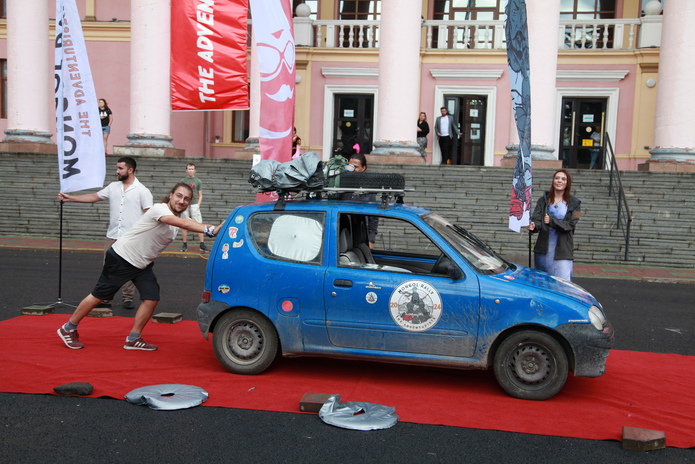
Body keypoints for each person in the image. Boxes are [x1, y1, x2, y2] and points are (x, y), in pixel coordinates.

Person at [56, 183, 224, 351]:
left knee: (151, 297)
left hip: (142, 264)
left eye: (186, 199)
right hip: (123, 257)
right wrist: (211, 230)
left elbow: (181, 222)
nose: (182, 201)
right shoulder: (160, 209)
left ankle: (133, 339)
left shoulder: (176, 217)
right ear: (171, 195)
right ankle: (68, 328)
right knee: (99, 296)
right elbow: (180, 222)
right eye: (179, 196)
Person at [58, 157, 153, 310]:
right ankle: (105, 297)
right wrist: (71, 198)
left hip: (131, 237)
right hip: (112, 234)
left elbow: (150, 214)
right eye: (117, 168)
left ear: (130, 170)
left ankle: (128, 297)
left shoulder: (143, 191)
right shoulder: (113, 187)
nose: (117, 171)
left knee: (129, 267)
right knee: (108, 267)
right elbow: (95, 197)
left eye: (120, 168)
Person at [526, 169, 581, 281]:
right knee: (542, 283)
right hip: (543, 251)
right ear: (553, 181)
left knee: (563, 285)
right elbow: (537, 219)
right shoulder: (543, 200)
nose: (559, 181)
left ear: (567, 183)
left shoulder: (574, 203)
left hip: (562, 252)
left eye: (563, 179)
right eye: (557, 178)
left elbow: (570, 225)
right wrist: (533, 226)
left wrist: (552, 221)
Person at [346, 152, 379, 249]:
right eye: (350, 166)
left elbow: (373, 216)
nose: (352, 170)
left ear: (363, 168)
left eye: (355, 167)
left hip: (360, 237)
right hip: (342, 235)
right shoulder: (340, 185)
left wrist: (371, 239)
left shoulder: (369, 188)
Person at [180, 163, 209, 252]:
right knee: (184, 224)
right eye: (189, 169)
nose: (190, 171)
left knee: (199, 224)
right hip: (185, 204)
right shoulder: (183, 181)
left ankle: (202, 244)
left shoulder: (198, 181)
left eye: (192, 169)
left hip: (194, 204)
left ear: (195, 170)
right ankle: (184, 244)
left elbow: (200, 194)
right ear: (186, 170)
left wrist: (198, 205)